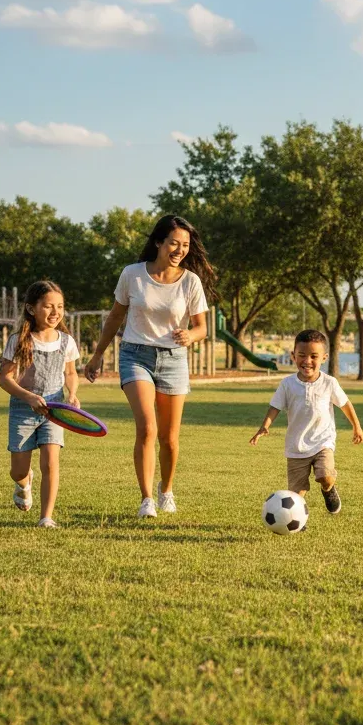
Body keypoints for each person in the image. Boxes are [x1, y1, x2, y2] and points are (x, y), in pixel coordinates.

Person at [83, 214, 213, 518]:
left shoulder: (190, 282)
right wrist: (98, 354)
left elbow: (201, 327)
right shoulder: (132, 274)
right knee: (147, 428)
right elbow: (115, 317)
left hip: (173, 359)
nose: (179, 250)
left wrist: (190, 335)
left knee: (169, 438)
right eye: (173, 243)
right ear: (158, 242)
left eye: (184, 246)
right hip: (135, 355)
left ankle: (166, 490)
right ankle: (146, 500)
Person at [250, 329, 363, 514]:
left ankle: (329, 490)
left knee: (326, 476)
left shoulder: (329, 383)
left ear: (324, 358)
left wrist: (356, 427)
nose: (307, 361)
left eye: (314, 356)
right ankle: (296, 520)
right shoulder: (287, 384)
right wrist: (265, 426)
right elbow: (275, 407)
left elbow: (345, 404)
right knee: (296, 494)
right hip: (296, 446)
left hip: (322, 442)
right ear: (293, 356)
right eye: (302, 355)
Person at [0, 280, 79, 529]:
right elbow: (5, 379)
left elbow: (71, 373)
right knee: (18, 471)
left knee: (51, 463)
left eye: (60, 306)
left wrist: (73, 394)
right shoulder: (19, 340)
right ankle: (24, 483)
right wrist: (29, 397)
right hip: (24, 409)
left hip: (54, 411)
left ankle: (46, 517)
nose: (55, 312)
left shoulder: (66, 341)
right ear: (32, 309)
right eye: (48, 306)